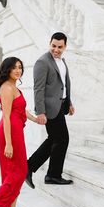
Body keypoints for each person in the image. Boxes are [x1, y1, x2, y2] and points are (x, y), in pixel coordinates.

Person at [0, 57, 38, 207]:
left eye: (20, 67)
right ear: (7, 69)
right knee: (19, 172)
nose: (18, 70)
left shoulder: (14, 87)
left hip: (15, 130)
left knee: (12, 172)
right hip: (10, 132)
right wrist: (8, 143)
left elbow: (20, 109)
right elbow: (6, 116)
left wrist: (36, 119)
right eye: (14, 68)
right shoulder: (7, 88)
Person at [26, 32, 75, 188]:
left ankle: (30, 168)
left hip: (60, 106)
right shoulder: (43, 62)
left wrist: (69, 102)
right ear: (50, 43)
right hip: (49, 109)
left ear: (65, 46)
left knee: (54, 139)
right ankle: (52, 175)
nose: (56, 49)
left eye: (60, 47)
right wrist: (40, 112)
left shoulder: (62, 61)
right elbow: (38, 89)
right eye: (53, 46)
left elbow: (62, 85)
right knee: (62, 139)